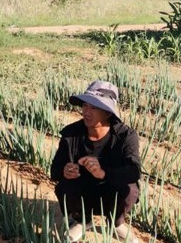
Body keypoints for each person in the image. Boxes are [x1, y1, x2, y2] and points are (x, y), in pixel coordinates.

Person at [50, 80, 141, 243]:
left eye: (94, 107)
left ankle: (115, 223)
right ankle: (81, 220)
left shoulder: (126, 136)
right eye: (85, 106)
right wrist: (64, 170)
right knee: (64, 186)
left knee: (130, 190)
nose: (87, 112)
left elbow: (133, 171)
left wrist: (103, 173)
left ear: (108, 113)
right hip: (82, 190)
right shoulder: (71, 134)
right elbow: (54, 170)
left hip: (110, 191)